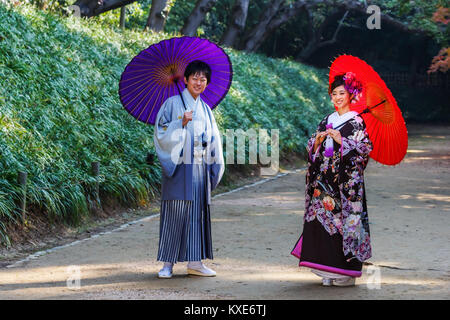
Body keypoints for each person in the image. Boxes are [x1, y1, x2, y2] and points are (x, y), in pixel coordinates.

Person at [291, 72, 373, 286]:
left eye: (342, 93)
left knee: (342, 225)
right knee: (322, 223)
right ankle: (326, 270)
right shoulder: (327, 120)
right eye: (334, 93)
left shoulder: (356, 122)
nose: (337, 97)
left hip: (344, 185)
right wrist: (317, 141)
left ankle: (344, 274)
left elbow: (364, 151)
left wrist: (344, 142)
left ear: (351, 95)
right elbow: (311, 149)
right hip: (322, 181)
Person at [153, 60, 224, 278]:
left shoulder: (205, 109)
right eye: (195, 77)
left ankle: (195, 262)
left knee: (197, 215)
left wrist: (214, 164)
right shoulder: (172, 103)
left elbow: (213, 139)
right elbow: (160, 131)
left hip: (200, 168)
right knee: (175, 213)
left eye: (203, 79)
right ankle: (167, 264)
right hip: (179, 166)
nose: (199, 82)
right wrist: (180, 124)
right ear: (185, 79)